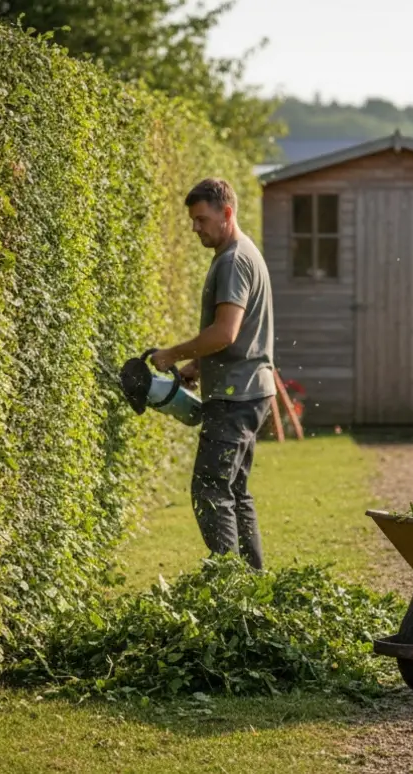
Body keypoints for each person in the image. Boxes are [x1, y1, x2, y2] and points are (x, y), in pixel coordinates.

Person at [150, 178, 275, 570]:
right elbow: (236, 333)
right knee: (235, 492)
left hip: (236, 397)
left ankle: (229, 589)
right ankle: (252, 586)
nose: (195, 228)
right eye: (192, 220)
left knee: (209, 490)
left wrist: (172, 353)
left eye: (202, 219)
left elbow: (226, 332)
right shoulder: (242, 251)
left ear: (227, 212)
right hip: (251, 391)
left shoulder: (234, 259)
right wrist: (197, 365)